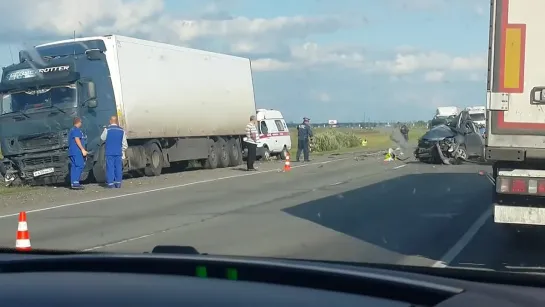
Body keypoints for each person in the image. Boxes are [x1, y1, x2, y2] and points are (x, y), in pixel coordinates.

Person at [100, 116, 128, 188]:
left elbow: (102, 138)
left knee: (110, 167)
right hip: (118, 152)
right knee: (118, 167)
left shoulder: (107, 130)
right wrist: (122, 150)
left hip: (109, 152)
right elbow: (125, 144)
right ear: (117, 121)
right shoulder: (122, 131)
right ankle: (118, 183)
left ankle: (110, 184)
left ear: (110, 121)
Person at [68, 117, 87, 190]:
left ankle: (73, 183)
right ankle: (76, 183)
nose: (81, 124)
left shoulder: (71, 130)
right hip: (77, 151)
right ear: (78, 122)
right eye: (81, 122)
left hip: (72, 152)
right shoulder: (76, 130)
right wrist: (82, 149)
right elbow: (77, 139)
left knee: (74, 167)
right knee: (79, 165)